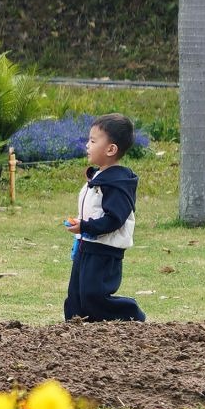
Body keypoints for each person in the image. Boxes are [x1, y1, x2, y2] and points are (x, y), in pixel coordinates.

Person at [65, 114, 146, 323]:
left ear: (111, 149)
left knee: (94, 295)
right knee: (76, 294)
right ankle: (73, 328)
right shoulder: (98, 177)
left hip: (104, 250)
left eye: (93, 141)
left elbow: (113, 220)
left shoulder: (117, 183)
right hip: (86, 245)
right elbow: (94, 210)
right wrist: (81, 227)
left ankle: (132, 316)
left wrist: (85, 227)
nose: (87, 145)